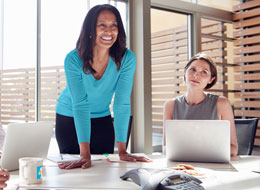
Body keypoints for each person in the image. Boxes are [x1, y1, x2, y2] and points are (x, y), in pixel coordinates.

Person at [55, 4, 151, 170]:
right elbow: (80, 103)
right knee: (76, 173)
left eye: (114, 25)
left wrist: (123, 150)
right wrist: (84, 154)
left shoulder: (126, 58)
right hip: (70, 117)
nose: (109, 31)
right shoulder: (73, 59)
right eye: (102, 25)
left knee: (104, 172)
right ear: (91, 29)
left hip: (102, 117)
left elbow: (122, 102)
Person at [163, 52, 238, 156]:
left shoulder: (222, 104)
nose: (196, 75)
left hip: (213, 165)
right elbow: (167, 147)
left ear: (211, 79)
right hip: (182, 165)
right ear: (185, 72)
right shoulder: (170, 105)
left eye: (204, 72)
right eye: (192, 69)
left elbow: (233, 149)